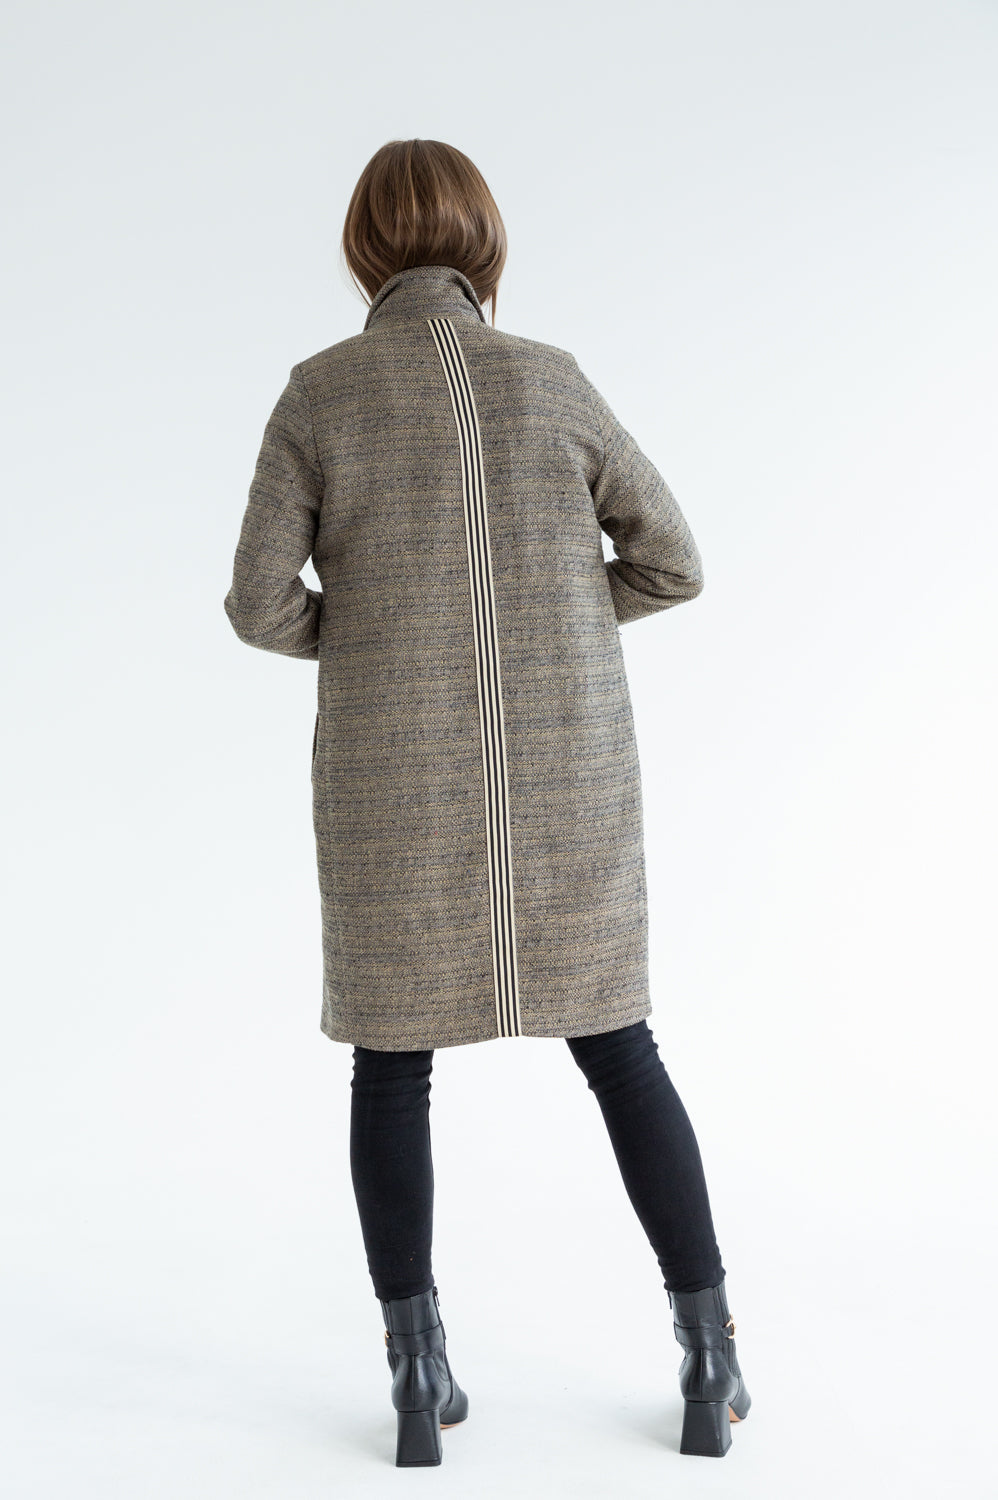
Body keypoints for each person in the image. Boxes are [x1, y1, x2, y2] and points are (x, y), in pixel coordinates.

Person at [223, 137, 751, 1468]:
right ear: (485, 245)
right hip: (568, 777)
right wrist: (556, 615)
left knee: (390, 1070)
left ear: (363, 251)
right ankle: (710, 1354)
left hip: (390, 789)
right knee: (621, 1050)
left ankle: (417, 1373)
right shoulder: (551, 380)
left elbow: (260, 605)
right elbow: (674, 563)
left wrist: (381, 636)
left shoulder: (320, 394)